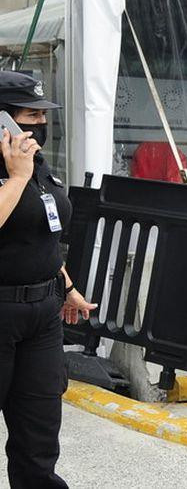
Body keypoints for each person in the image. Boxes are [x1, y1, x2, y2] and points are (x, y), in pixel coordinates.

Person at [0, 70, 96, 488]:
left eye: (42, 114)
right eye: (28, 114)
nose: (39, 123)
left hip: (42, 315)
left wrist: (68, 286)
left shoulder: (36, 165)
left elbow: (44, 235)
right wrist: (16, 177)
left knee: (39, 437)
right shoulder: (19, 169)